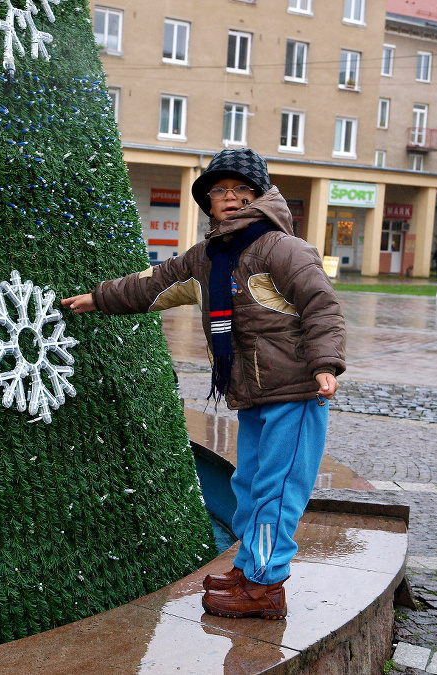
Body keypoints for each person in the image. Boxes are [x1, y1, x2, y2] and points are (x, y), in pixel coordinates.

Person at [61, 148, 345, 620]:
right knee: (250, 485)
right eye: (219, 190)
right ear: (208, 203)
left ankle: (266, 588)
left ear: (260, 196)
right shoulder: (208, 257)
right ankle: (250, 569)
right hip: (253, 395)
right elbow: (151, 282)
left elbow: (322, 307)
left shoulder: (283, 248)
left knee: (276, 491)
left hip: (296, 393)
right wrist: (98, 298)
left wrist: (325, 366)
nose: (230, 198)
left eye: (241, 190)